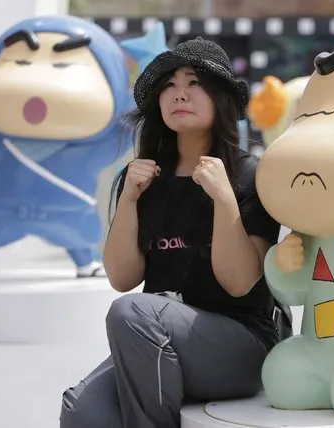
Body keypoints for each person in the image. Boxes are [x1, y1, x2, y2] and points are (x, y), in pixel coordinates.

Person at [59, 37, 284, 428]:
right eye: (169, 85)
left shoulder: (250, 175)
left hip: (242, 347)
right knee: (83, 411)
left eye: (194, 83)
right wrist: (129, 198)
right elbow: (122, 277)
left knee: (132, 311)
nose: (179, 94)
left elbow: (239, 282)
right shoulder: (143, 179)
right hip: (158, 338)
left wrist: (224, 198)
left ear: (220, 98)